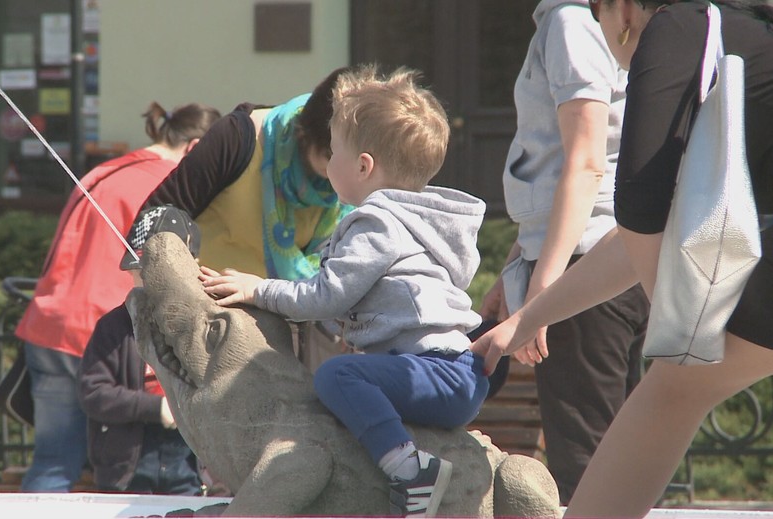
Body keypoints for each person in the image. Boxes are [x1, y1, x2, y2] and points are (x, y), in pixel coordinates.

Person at [472, 1, 773, 516]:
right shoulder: (745, 34)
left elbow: (640, 199)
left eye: (597, 11)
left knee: (672, 390)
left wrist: (679, 327)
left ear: (625, 9)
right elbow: (634, 236)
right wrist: (528, 319)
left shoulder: (678, 24)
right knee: (675, 389)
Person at [199, 65, 490, 518]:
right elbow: (350, 307)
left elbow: (326, 296)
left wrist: (260, 290)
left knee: (338, 376)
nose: (328, 162)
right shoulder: (412, 223)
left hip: (435, 370)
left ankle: (410, 469)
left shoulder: (376, 222)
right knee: (348, 375)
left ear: (362, 165)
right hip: (452, 373)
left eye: (334, 151)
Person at [478, 0, 649, 504]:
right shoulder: (602, 19)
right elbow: (568, 168)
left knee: (587, 476)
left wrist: (541, 297)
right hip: (621, 256)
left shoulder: (571, 21)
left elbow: (585, 163)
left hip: (585, 268)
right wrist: (516, 264)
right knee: (618, 462)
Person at [14, 101, 221, 492]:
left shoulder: (110, 169)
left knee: (52, 466)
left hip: (49, 323)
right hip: (100, 331)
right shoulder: (166, 186)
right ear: (195, 149)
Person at [136, 67, 356, 373]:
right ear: (304, 136)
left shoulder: (356, 176)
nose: (342, 177)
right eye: (331, 158)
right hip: (203, 336)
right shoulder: (239, 137)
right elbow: (153, 221)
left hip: (289, 345)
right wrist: (158, 336)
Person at [78, 205, 203, 495]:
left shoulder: (203, 326)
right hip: (127, 467)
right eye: (138, 270)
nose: (145, 281)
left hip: (188, 463)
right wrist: (155, 408)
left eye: (157, 271)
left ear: (192, 265)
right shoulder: (113, 327)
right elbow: (93, 392)